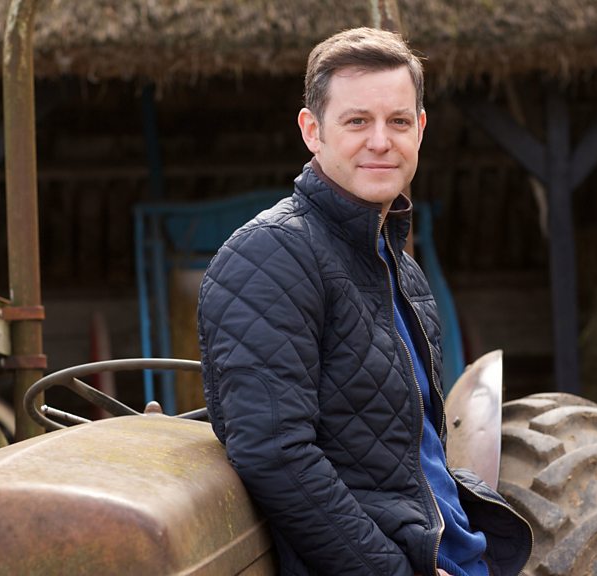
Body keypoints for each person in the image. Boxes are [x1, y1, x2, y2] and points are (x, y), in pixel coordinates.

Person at [197, 27, 532, 576]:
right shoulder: (270, 255)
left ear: (420, 130)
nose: (381, 141)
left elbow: (412, 455)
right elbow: (275, 454)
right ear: (312, 131)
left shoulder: (400, 269)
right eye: (357, 121)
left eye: (398, 122)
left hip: (453, 553)